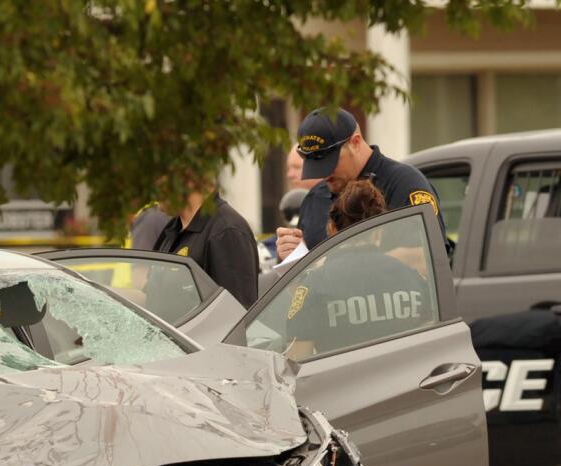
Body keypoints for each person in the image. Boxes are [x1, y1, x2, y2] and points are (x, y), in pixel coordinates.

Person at [279, 179, 434, 360]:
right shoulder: (412, 278)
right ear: (379, 231)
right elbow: (430, 346)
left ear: (332, 228)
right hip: (404, 384)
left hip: (343, 385)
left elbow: (296, 362)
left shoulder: (316, 284)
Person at [276, 107, 444, 262]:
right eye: (316, 167)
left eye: (330, 163)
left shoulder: (405, 185)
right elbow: (302, 287)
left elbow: (428, 258)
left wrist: (332, 266)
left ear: (355, 143)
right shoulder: (315, 198)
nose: (324, 174)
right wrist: (294, 258)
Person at [149, 187, 259, 308]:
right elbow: (152, 299)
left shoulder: (226, 231)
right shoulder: (171, 229)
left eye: (158, 176)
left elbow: (234, 315)